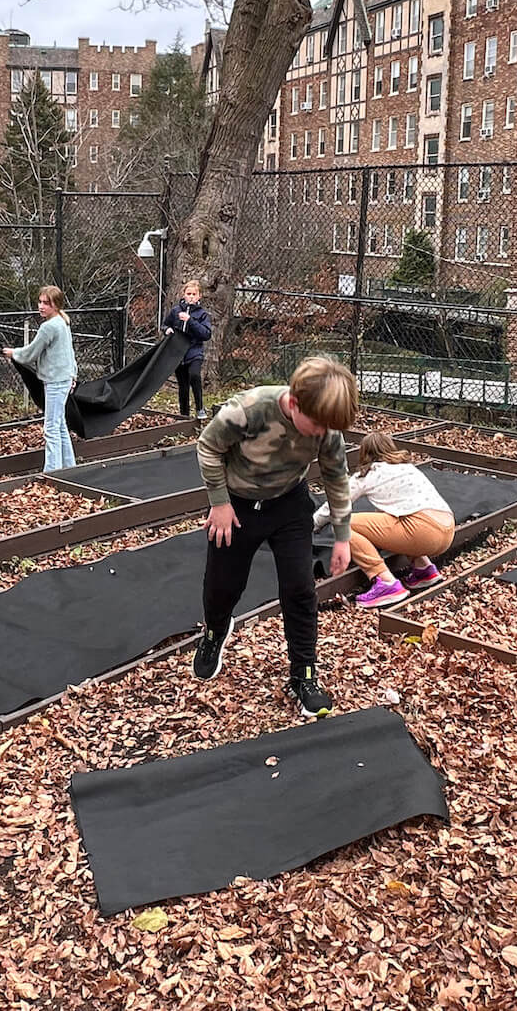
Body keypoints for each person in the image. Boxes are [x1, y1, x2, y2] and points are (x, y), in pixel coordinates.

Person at [192, 356, 356, 719]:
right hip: (237, 505)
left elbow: (336, 477)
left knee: (299, 588)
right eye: (316, 425)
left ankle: (304, 674)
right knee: (222, 587)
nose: (320, 434)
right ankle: (216, 631)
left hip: (288, 506)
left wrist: (342, 536)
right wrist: (218, 503)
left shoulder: (325, 427)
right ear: (295, 403)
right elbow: (208, 447)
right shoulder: (250, 410)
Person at [313, 431, 456, 609]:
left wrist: (313, 524)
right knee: (398, 517)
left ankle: (385, 582)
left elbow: (336, 503)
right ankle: (424, 570)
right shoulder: (407, 467)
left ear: (365, 453)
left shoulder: (369, 473)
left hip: (423, 531)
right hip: (447, 529)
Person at [5, 285, 78, 472]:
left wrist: (13, 353)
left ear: (56, 305)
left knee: (51, 428)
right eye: (40, 302)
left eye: (47, 303)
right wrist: (73, 375)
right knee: (60, 425)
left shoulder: (50, 326)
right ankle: (69, 467)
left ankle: (52, 471)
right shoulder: (62, 322)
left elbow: (31, 352)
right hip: (64, 378)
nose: (41, 306)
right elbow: (69, 353)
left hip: (55, 381)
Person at [163, 280, 213, 418]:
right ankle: (183, 415)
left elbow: (206, 334)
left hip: (194, 351)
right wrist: (167, 330)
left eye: (194, 294)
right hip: (178, 353)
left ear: (199, 296)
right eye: (188, 293)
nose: (191, 296)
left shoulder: (202, 314)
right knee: (183, 386)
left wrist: (190, 320)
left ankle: (200, 408)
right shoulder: (175, 310)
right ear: (183, 294)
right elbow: (165, 325)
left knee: (195, 376)